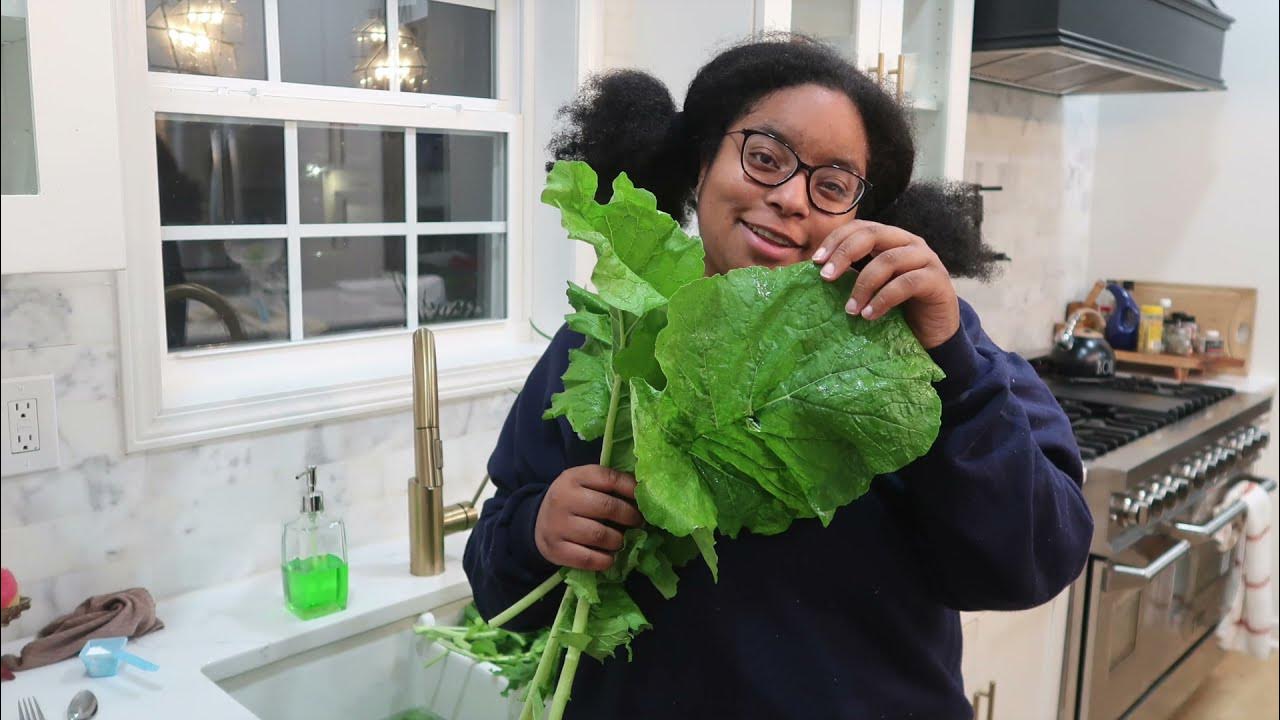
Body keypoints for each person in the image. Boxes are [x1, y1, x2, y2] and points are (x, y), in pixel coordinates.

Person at [463, 35, 1093, 719]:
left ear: (862, 211)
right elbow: (498, 587)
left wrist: (953, 361)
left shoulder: (925, 344)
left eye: (831, 185)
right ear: (701, 161)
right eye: (765, 158)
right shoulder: (612, 338)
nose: (792, 198)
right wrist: (537, 530)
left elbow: (1033, 561)